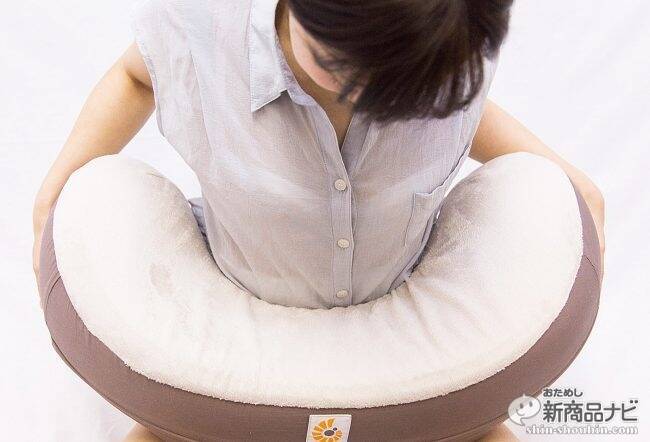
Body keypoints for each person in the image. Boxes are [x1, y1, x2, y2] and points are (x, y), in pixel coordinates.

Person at [32, 0, 606, 440]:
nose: (364, 92)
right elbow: (137, 76)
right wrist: (55, 190)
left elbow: (462, 108)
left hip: (404, 330)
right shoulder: (202, 26)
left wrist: (560, 177)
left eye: (397, 87)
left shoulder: (454, 35)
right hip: (239, 326)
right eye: (339, 66)